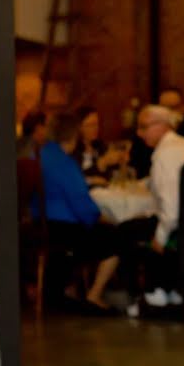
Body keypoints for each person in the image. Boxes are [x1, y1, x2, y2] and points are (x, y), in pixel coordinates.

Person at [38, 113, 124, 313]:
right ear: (74, 135)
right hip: (63, 228)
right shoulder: (65, 163)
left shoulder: (43, 154)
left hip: (42, 223)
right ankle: (94, 295)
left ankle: (70, 290)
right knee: (117, 238)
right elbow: (81, 204)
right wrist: (102, 218)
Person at [133, 105, 184, 308]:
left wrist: (160, 237)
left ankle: (150, 293)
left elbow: (170, 207)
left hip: (178, 224)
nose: (139, 133)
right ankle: (171, 289)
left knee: (123, 233)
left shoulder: (164, 154)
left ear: (162, 126)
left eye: (143, 127)